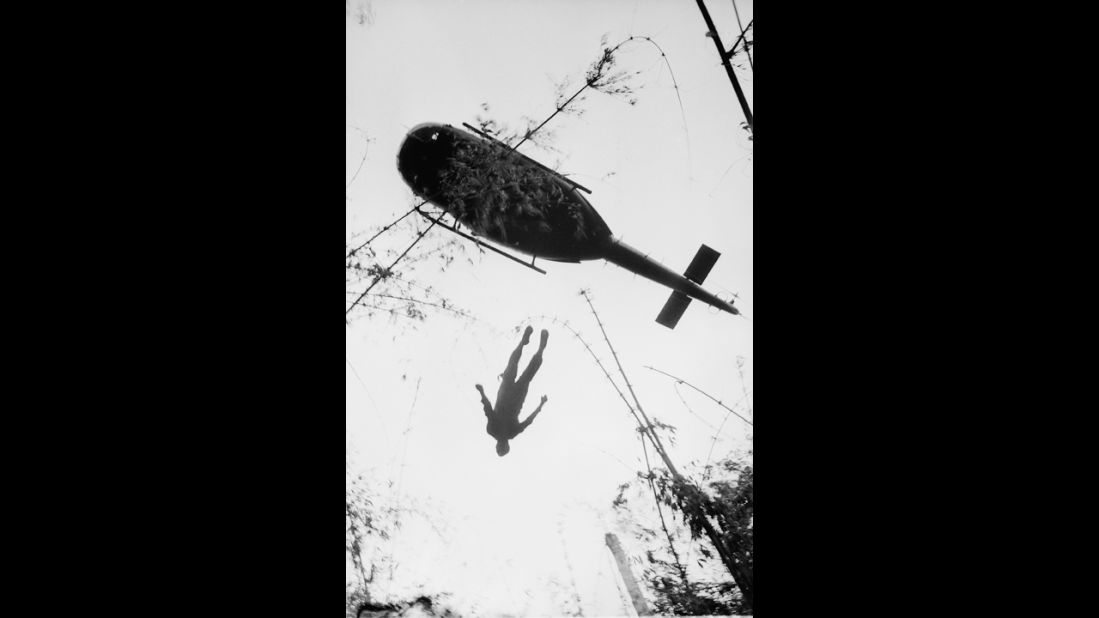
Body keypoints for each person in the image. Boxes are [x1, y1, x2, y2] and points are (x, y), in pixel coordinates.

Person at [476, 326, 549, 456]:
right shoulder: (510, 433)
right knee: (527, 372)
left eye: (500, 447)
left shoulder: (493, 430)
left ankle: (523, 343)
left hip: (506, 393)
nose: (502, 444)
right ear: (507, 446)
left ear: (497, 445)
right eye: (504, 447)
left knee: (512, 366)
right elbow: (528, 421)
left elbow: (488, 410)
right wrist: (540, 405)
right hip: (516, 397)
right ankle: (540, 349)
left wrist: (482, 393)